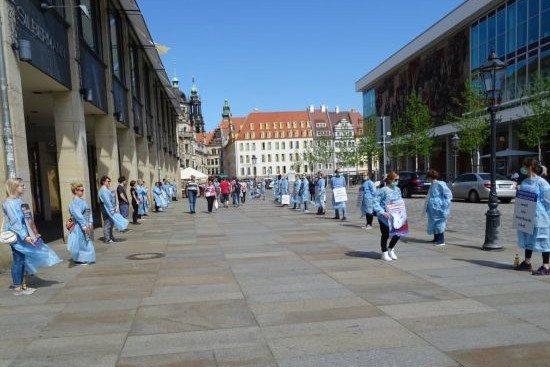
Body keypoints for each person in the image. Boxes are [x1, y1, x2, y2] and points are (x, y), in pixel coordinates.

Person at [3, 178, 62, 295]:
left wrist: (34, 233)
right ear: (14, 187)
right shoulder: (9, 203)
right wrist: (25, 236)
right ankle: (17, 287)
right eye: (21, 185)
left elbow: (27, 219)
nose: (24, 187)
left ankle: (21, 284)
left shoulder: (19, 201)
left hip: (25, 235)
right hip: (18, 236)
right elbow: (16, 223)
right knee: (18, 260)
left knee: (22, 259)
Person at [514, 158, 550, 275]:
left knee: (543, 238)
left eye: (524, 167)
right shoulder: (524, 182)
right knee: (527, 237)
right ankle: (527, 262)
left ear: (529, 167)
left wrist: (546, 214)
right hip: (527, 216)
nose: (522, 169)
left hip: (540, 216)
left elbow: (548, 201)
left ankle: (546, 266)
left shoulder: (541, 182)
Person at [373, 172, 405, 261]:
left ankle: (391, 248)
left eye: (398, 180)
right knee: (385, 234)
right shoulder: (383, 190)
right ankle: (384, 252)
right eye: (395, 180)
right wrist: (382, 212)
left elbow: (400, 200)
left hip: (396, 216)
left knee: (398, 233)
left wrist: (401, 210)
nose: (397, 181)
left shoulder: (398, 189)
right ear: (390, 180)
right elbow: (375, 202)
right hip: (385, 216)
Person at [67, 182, 96, 265]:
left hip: (85, 223)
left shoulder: (82, 200)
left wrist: (90, 221)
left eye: (83, 190)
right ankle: (78, 259)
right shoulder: (74, 202)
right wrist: (83, 225)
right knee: (81, 242)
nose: (82, 192)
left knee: (85, 241)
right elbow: (77, 214)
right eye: (81, 190)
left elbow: (88, 211)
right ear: (75, 191)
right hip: (79, 226)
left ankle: (83, 258)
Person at [425, 169, 453, 246]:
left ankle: (441, 240)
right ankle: (436, 238)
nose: (428, 179)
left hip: (439, 208)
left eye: (428, 177)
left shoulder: (440, 183)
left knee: (439, 223)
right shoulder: (432, 184)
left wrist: (444, 204)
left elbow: (448, 194)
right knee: (433, 222)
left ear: (430, 177)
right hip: (433, 208)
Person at [99, 175, 128, 242]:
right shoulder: (103, 190)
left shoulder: (107, 189)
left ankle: (111, 237)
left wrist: (115, 207)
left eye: (110, 181)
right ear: (103, 182)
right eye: (108, 181)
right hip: (107, 209)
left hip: (110, 209)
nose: (109, 182)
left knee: (111, 224)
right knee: (108, 224)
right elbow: (107, 201)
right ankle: (108, 239)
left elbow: (112, 199)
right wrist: (112, 210)